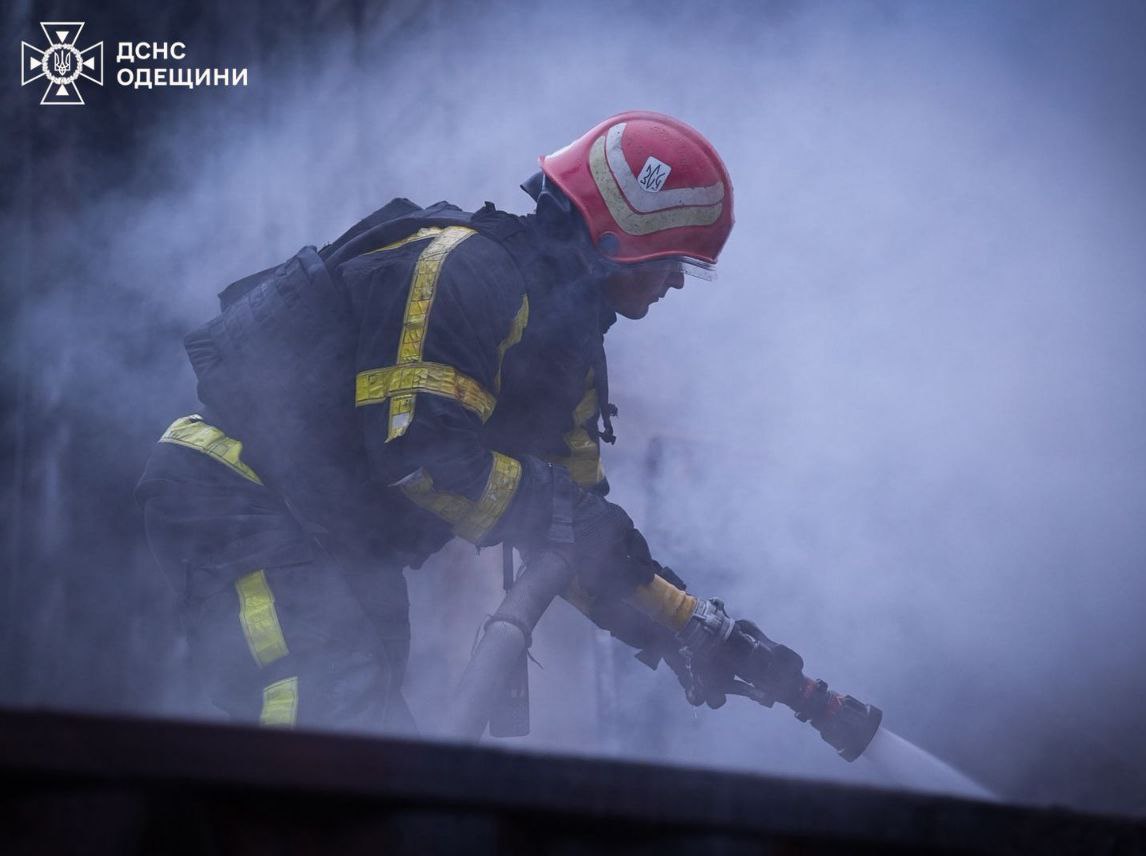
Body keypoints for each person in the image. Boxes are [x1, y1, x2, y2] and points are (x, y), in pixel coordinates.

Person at [135, 111, 734, 732]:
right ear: (617, 241)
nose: (676, 284)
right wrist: (554, 505)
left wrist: (679, 629)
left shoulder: (565, 346)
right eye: (671, 261)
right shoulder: (463, 272)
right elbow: (421, 457)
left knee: (376, 741)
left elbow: (577, 529)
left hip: (335, 535)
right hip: (244, 497)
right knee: (322, 719)